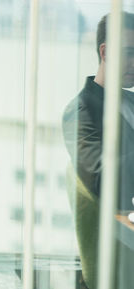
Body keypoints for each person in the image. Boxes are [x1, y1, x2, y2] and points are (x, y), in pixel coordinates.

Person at [62, 11, 134, 211]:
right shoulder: (80, 111)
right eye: (129, 53)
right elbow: (102, 180)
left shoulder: (131, 99)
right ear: (105, 52)